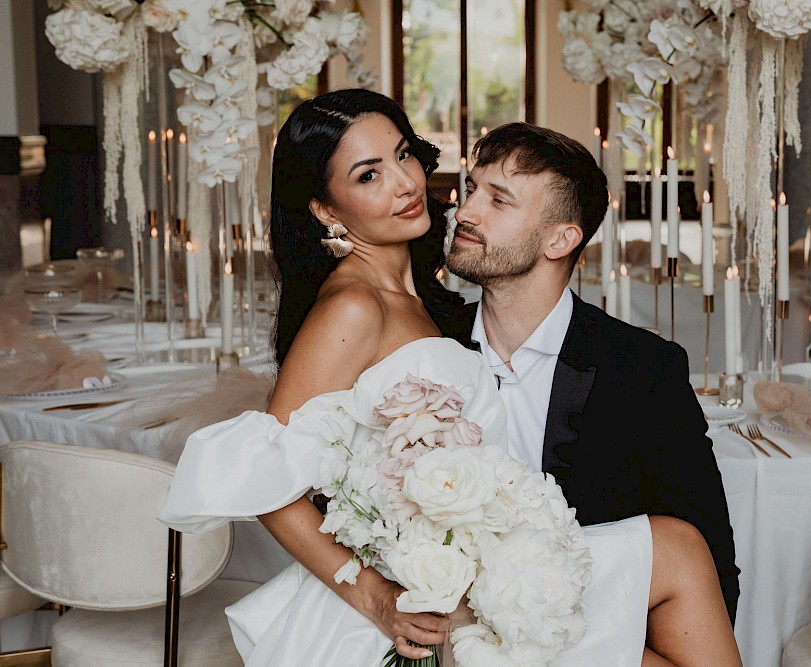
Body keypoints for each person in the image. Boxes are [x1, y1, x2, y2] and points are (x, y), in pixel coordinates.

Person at [158, 89, 740, 666]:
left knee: (683, 554)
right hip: (436, 604)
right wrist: (377, 596)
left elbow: (720, 561)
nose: (412, 186)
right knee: (677, 554)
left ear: (561, 239)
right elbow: (263, 472)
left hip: (516, 583)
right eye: (368, 175)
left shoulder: (430, 311)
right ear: (325, 209)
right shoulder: (356, 306)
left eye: (404, 154)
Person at [445, 122, 742, 650]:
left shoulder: (643, 371)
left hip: (590, 630)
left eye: (499, 200)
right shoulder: (426, 345)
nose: (466, 212)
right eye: (472, 190)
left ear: (561, 239)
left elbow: (711, 561)